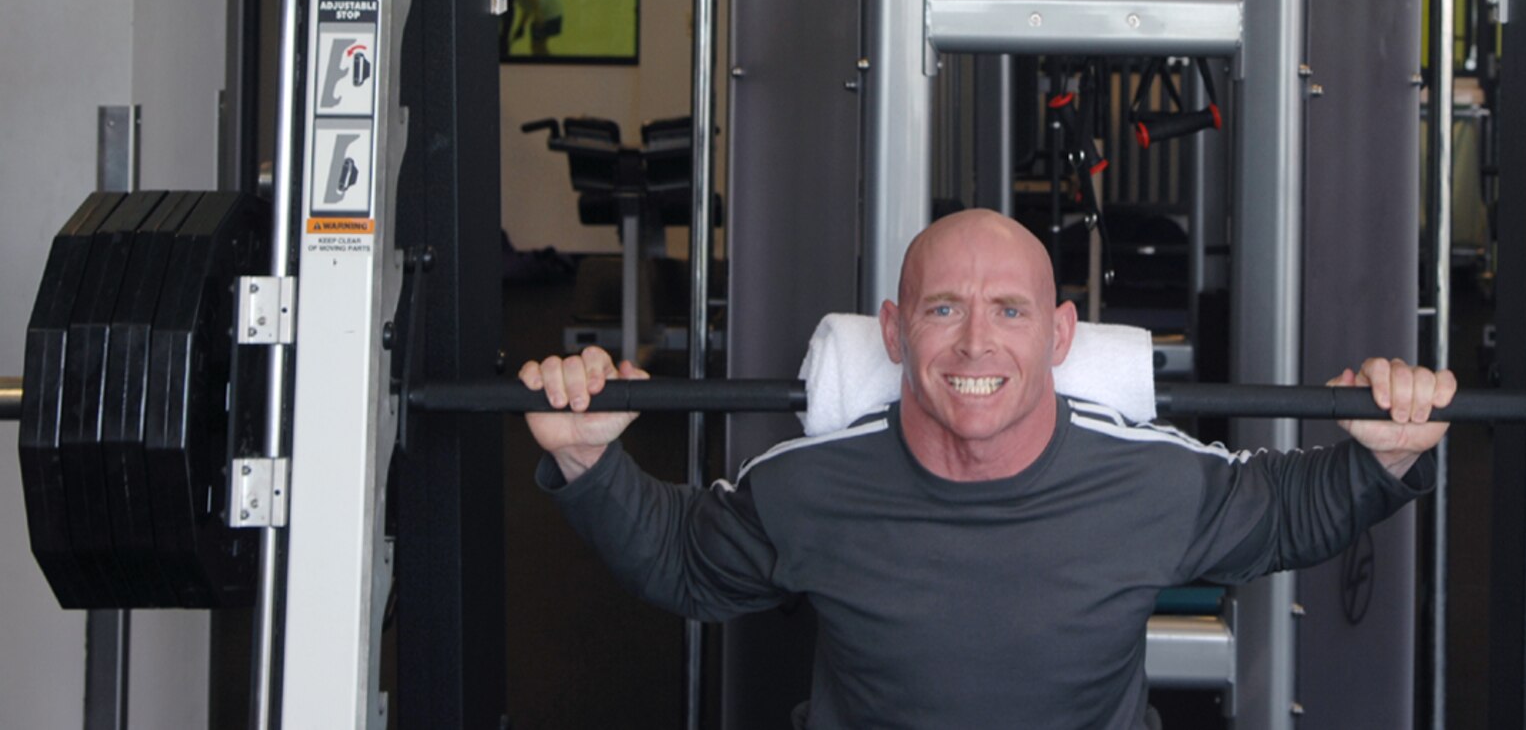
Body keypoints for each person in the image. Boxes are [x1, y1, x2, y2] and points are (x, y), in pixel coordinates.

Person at [523, 208, 1454, 730]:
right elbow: (685, 560)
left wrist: (1388, 455)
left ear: (1058, 334)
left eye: (1010, 311)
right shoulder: (809, 484)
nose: (976, 341)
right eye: (942, 311)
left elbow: (1288, 509)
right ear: (894, 331)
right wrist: (586, 457)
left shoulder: (1143, 479)